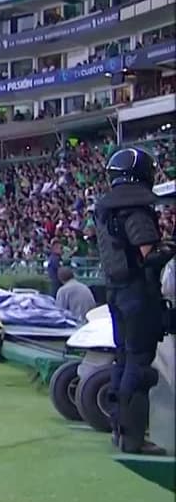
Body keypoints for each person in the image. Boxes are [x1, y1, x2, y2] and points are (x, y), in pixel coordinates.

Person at [94, 147, 169, 455]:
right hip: (137, 295)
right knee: (138, 366)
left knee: (123, 361)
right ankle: (134, 438)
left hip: (116, 292)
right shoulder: (135, 208)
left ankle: (120, 430)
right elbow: (149, 254)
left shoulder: (108, 208)